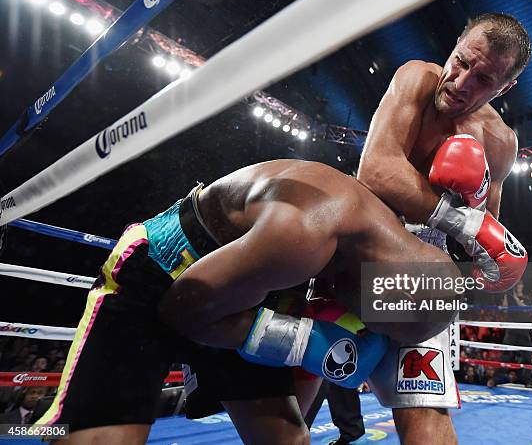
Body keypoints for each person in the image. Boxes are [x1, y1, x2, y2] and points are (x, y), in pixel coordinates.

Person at [36, 159, 475, 444]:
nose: (366, 327)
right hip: (163, 277)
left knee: (289, 439)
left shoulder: (389, 247)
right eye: (377, 324)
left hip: (250, 288)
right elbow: (180, 313)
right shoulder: (305, 236)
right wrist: (303, 341)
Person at [356, 12, 532, 445]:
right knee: (297, 399)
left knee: (425, 413)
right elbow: (375, 170)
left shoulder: (500, 142)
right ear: (454, 46)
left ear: (504, 88)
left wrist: (492, 259)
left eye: (484, 79)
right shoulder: (416, 78)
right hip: (357, 250)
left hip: (421, 278)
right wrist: (464, 219)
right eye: (461, 62)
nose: (462, 82)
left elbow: (484, 239)